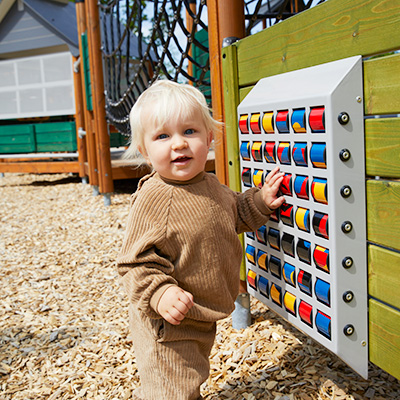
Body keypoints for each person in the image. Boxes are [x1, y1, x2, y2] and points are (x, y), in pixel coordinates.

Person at [117, 80, 285, 400]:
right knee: (172, 389)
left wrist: (261, 201)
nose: (178, 144)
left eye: (189, 132)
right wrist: (161, 293)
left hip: (196, 314)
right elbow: (134, 263)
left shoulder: (208, 185)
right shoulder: (156, 199)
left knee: (190, 377)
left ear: (209, 138)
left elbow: (233, 212)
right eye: (163, 136)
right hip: (166, 322)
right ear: (144, 150)